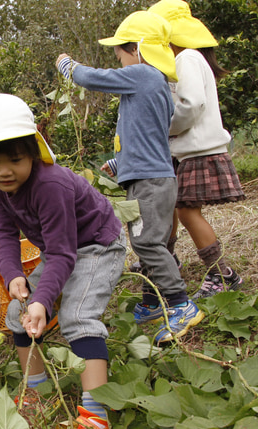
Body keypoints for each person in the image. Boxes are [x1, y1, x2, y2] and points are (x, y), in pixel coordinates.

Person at [0, 93, 126, 429]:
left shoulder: (49, 183)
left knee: (77, 316)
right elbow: (4, 233)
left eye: (14, 160)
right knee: (16, 314)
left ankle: (95, 415)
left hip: (97, 245)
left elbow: (63, 254)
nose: (4, 171)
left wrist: (42, 300)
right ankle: (36, 394)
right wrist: (12, 276)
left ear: (33, 154)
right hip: (62, 249)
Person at [56, 10, 203, 345]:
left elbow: (91, 79)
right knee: (151, 240)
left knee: (147, 243)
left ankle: (181, 304)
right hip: (150, 176)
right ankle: (153, 303)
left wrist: (69, 66)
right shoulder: (157, 85)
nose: (119, 62)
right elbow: (147, 137)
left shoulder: (144, 75)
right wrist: (119, 162)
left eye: (119, 54)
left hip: (151, 182)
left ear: (137, 48)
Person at [148, 0, 245, 298]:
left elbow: (191, 105)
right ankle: (170, 262)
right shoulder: (191, 59)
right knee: (176, 209)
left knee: (187, 212)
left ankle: (222, 275)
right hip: (190, 150)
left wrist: (165, 130)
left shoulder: (187, 58)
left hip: (197, 150)